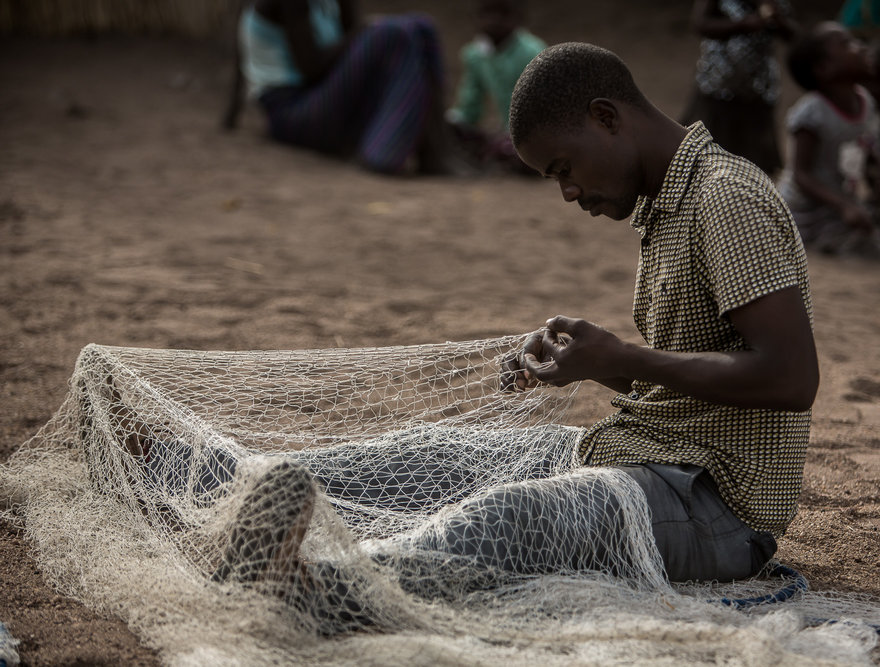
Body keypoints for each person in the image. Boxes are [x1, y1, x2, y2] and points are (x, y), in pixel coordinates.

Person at [114, 42, 820, 635]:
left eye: (563, 169)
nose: (568, 193)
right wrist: (593, 362)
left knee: (513, 516)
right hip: (640, 452)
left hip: (717, 506)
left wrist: (622, 356)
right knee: (430, 457)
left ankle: (315, 589)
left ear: (606, 119)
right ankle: (190, 475)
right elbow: (702, 374)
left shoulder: (724, 197)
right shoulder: (666, 206)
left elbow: (789, 377)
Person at [224, 0, 460, 175]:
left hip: (324, 97)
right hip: (291, 112)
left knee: (421, 26)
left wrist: (365, 31)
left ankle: (436, 151)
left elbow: (354, 48)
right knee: (393, 34)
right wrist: (367, 30)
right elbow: (312, 69)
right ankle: (383, 153)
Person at [776, 21, 880, 263]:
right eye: (847, 44)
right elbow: (801, 174)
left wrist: (877, 179)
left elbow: (869, 149)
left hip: (840, 207)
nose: (860, 47)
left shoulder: (866, 103)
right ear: (823, 68)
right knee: (867, 248)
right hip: (804, 214)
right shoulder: (812, 114)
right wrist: (843, 206)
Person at [679, 0, 797, 176]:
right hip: (718, 84)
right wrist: (741, 25)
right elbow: (700, 24)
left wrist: (778, 20)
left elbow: (793, 34)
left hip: (757, 89)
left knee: (752, 164)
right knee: (707, 155)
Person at [445, 0, 546, 174]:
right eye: (487, 13)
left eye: (503, 13)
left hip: (534, 132)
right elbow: (470, 107)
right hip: (504, 134)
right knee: (448, 131)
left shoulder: (532, 51)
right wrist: (452, 123)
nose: (494, 20)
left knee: (520, 151)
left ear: (518, 18)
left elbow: (541, 108)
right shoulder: (474, 54)